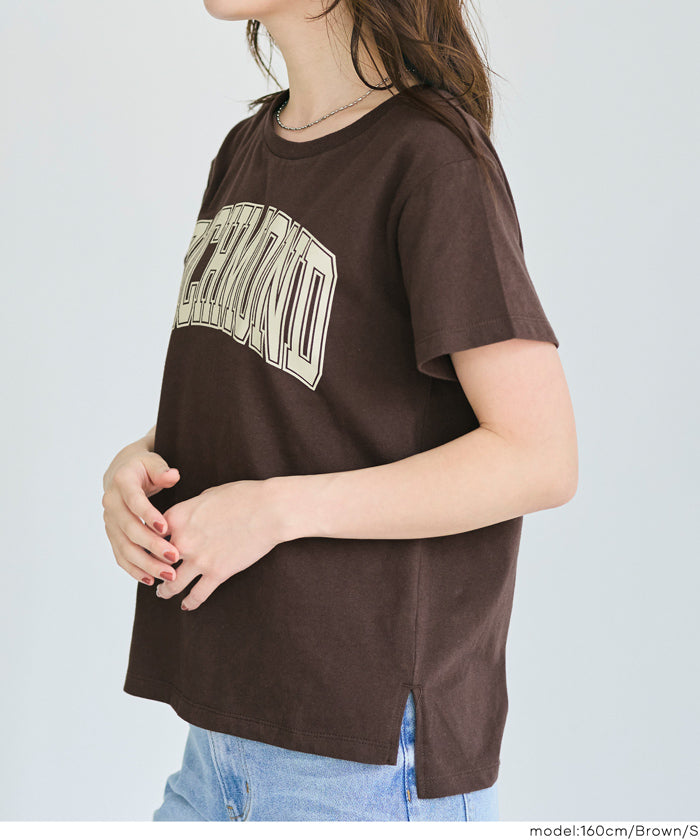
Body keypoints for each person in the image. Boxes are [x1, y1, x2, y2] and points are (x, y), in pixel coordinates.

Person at [101, 0, 578, 822]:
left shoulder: (432, 157)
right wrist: (137, 463)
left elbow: (539, 455)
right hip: (222, 739)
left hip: (364, 760)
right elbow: (292, 398)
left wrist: (276, 510)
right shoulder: (246, 148)